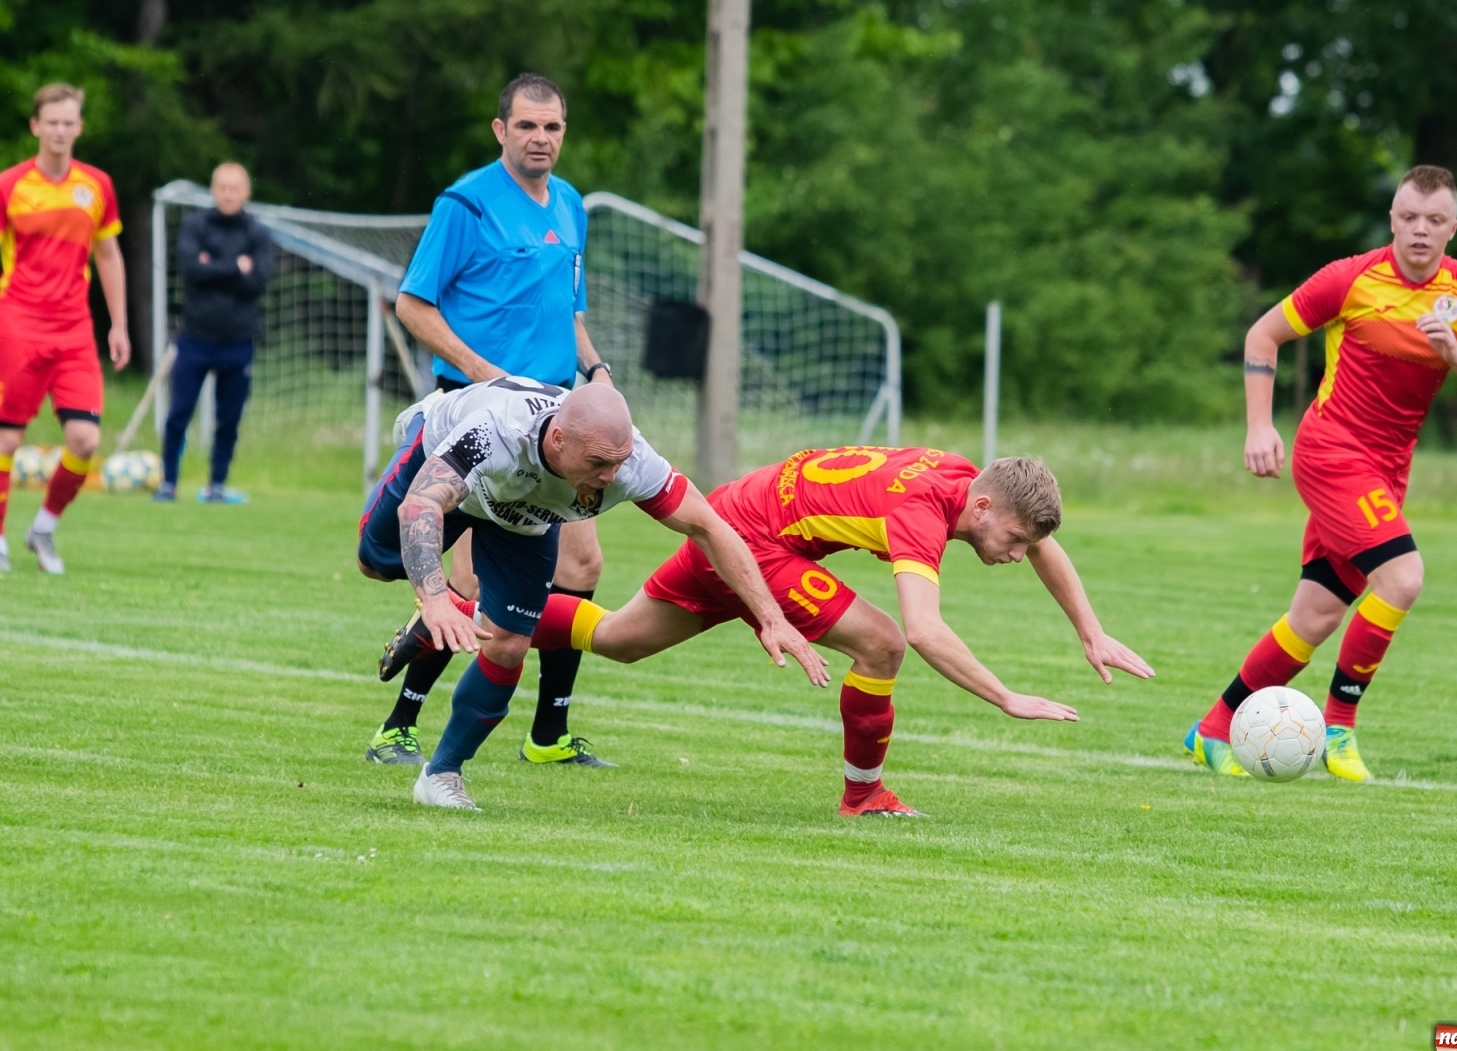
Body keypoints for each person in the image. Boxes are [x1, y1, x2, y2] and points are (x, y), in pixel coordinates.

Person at [399, 445, 1154, 817]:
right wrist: (1006, 697)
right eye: (1012, 541)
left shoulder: (968, 480)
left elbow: (1046, 540)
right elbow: (924, 631)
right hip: (758, 541)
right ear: (983, 510)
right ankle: (865, 797)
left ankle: (463, 618)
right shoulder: (922, 514)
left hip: (745, 512)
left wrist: (1090, 631)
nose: (1017, 557)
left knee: (622, 638)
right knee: (885, 641)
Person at [1184, 165, 1457, 780]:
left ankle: (1210, 730)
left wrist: (1454, 351)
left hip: (1388, 469)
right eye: (1409, 217)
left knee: (1316, 615)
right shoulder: (1351, 277)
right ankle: (1339, 728)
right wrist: (1259, 427)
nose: (1420, 230)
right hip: (1332, 451)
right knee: (1403, 578)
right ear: (1392, 218)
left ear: (1453, 229)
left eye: (1435, 220)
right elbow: (1262, 336)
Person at [358, 377, 826, 810]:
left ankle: (440, 775)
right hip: (443, 469)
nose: (609, 477)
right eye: (597, 463)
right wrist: (435, 598)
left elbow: (708, 526)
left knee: (509, 644)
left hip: (521, 519)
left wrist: (770, 617)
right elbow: (421, 505)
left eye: (617, 462)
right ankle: (443, 608)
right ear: (558, 440)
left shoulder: (632, 463)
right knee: (378, 564)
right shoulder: (496, 431)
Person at [370, 71, 616, 769]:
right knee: (472, 583)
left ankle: (548, 733)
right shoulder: (467, 204)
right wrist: (489, 378)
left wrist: (596, 372)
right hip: (481, 423)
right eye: (528, 126)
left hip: (559, 426)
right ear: (500, 130)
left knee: (585, 559)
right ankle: (398, 726)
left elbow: (568, 314)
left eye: (553, 127)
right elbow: (413, 305)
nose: (541, 138)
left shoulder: (570, 205)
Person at [0, 83, 128, 574]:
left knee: (84, 440)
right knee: (7, 440)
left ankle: (44, 528)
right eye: (50, 121)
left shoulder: (96, 186)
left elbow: (109, 254)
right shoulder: (11, 185)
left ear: (79, 127)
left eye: (67, 122)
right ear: (35, 126)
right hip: (17, 324)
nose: (59, 130)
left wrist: (118, 324)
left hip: (75, 329)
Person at [155, 162, 274, 504]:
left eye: (234, 188)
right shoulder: (195, 225)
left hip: (238, 342)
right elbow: (192, 270)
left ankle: (217, 485)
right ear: (212, 190)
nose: (227, 194)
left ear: (246, 193)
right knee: (179, 413)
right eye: (222, 187)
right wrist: (235, 267)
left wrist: (214, 268)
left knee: (229, 419)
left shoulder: (257, 233)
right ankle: (169, 483)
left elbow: (258, 281)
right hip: (194, 339)